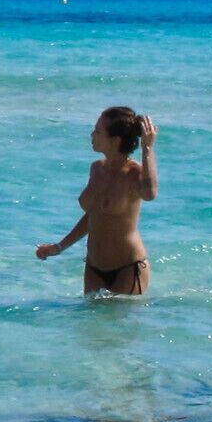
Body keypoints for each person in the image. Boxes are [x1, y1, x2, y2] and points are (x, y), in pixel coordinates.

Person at [36, 107, 158, 295]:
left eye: (98, 131)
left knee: (121, 325)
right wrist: (59, 247)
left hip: (127, 268)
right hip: (94, 268)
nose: (92, 135)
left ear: (115, 140)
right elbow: (94, 216)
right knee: (90, 324)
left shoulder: (133, 174)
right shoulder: (96, 169)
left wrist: (147, 150)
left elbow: (150, 193)